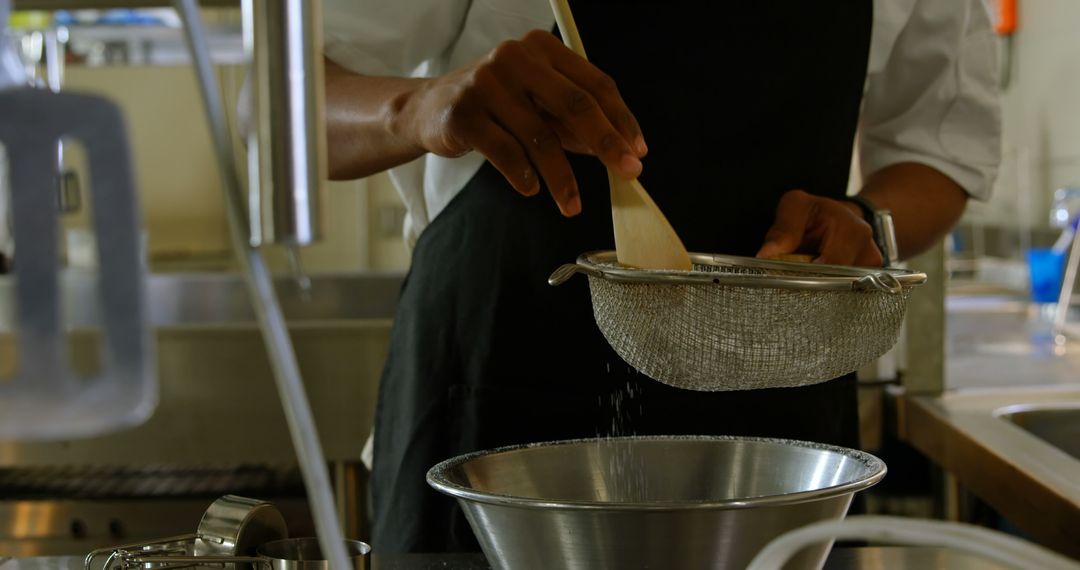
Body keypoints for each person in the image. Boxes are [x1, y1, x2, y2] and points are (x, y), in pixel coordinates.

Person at [321, 0, 1001, 553]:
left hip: (774, 433)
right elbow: (284, 105)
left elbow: (940, 150)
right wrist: (418, 108)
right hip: (493, 406)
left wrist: (863, 219)